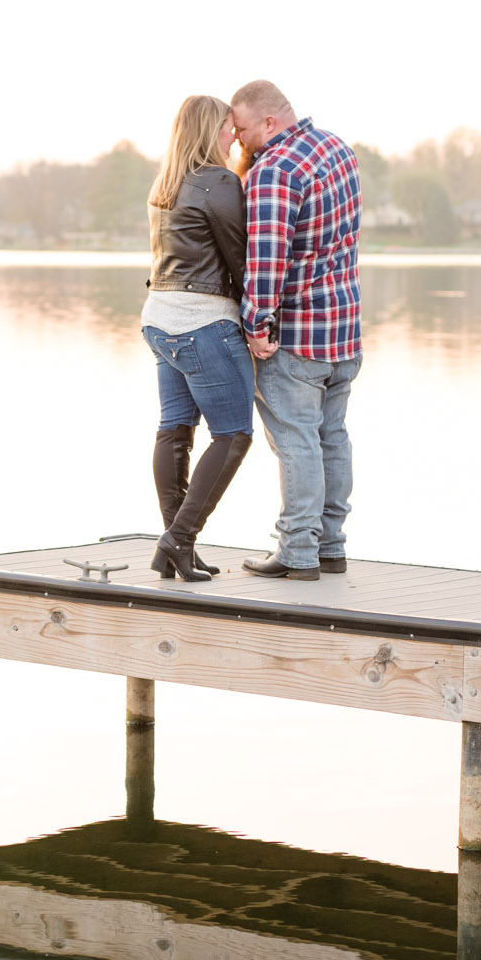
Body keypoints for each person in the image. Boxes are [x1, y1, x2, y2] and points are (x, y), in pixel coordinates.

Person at [230, 79, 363, 581]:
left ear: (268, 121)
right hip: (343, 331)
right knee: (332, 437)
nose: (239, 139)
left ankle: (297, 552)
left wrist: (256, 325)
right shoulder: (337, 148)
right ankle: (330, 546)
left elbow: (267, 257)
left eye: (242, 128)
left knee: (296, 442)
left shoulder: (274, 169)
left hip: (297, 335)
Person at [141, 95, 254, 583]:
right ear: (212, 130)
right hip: (202, 321)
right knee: (232, 434)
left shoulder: (165, 184)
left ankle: (175, 545)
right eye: (229, 127)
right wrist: (260, 320)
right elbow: (238, 256)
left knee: (176, 429)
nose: (234, 135)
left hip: (159, 320)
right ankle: (180, 538)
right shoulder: (219, 181)